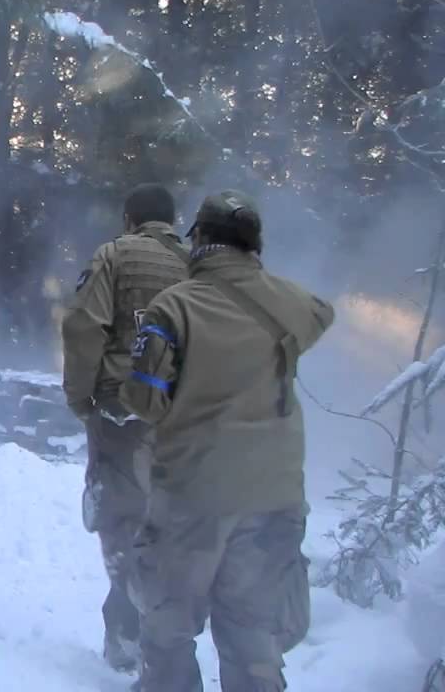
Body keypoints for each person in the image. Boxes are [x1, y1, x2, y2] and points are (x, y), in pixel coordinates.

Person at [121, 190, 334, 692]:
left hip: (194, 496)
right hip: (274, 497)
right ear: (254, 246)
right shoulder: (294, 302)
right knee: (254, 633)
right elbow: (322, 314)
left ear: (200, 240)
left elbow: (144, 400)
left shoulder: (172, 307)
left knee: (169, 624)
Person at [61, 183, 191, 673]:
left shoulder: (115, 255)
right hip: (181, 416)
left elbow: (82, 327)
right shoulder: (197, 266)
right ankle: (156, 633)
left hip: (123, 409)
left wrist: (80, 395)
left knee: (119, 517)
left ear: (129, 219)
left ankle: (134, 634)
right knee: (164, 525)